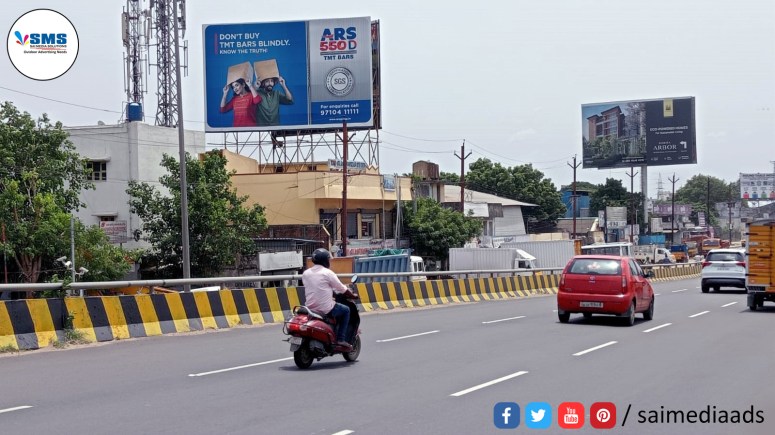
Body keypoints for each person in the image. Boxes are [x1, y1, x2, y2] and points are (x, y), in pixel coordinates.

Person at [302, 248, 358, 351]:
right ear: (324, 260)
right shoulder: (327, 273)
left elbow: (318, 287)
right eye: (328, 259)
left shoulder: (306, 274)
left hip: (310, 308)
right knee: (346, 310)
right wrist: (353, 296)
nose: (329, 261)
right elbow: (342, 288)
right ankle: (341, 339)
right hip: (325, 309)